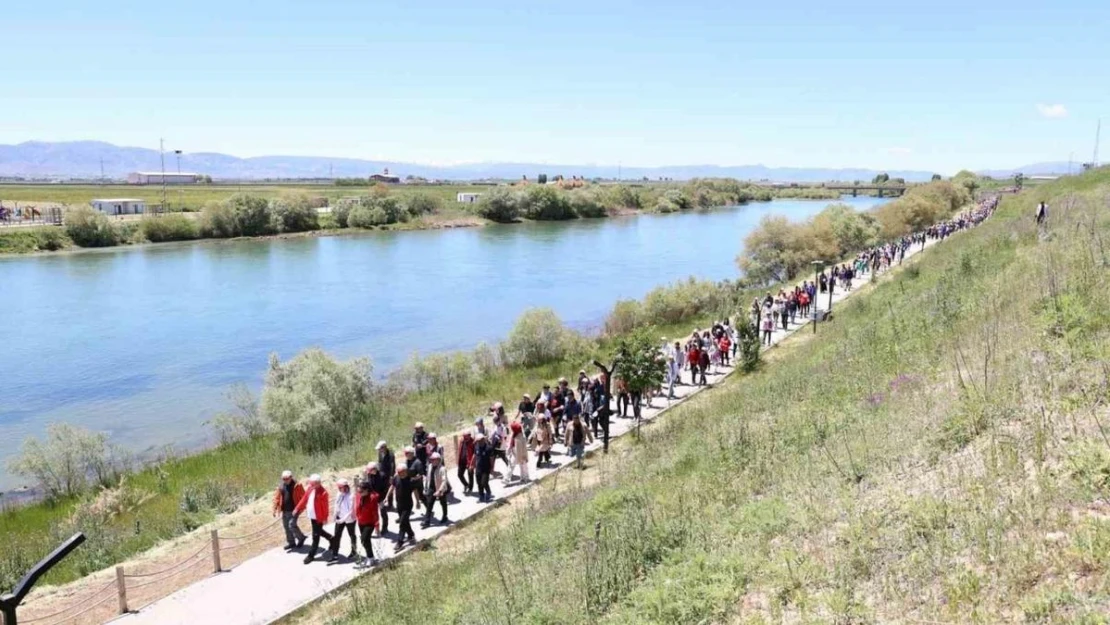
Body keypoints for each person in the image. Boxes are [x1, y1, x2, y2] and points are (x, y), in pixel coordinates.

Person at [293, 474, 333, 564]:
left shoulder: (323, 493)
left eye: (312, 484)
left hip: (319, 517)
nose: (310, 485)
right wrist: (297, 508)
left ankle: (311, 555)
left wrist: (325, 518)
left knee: (315, 536)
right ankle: (332, 539)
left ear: (318, 483)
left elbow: (325, 507)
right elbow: (304, 499)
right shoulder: (310, 488)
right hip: (312, 516)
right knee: (318, 531)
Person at [273, 470, 307, 551]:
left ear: (291, 477)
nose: (285, 480)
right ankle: (291, 543)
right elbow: (276, 498)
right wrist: (274, 509)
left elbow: (304, 497)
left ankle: (301, 538)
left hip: (294, 510)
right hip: (285, 510)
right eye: (283, 479)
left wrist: (301, 507)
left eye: (287, 478)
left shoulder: (298, 485)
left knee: (291, 525)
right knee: (286, 527)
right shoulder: (281, 487)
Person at [385, 466, 416, 549]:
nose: (399, 474)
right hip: (399, 504)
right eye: (398, 472)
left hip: (408, 505)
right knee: (405, 521)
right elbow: (392, 487)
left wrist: (417, 502)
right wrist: (387, 497)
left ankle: (400, 541)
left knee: (402, 523)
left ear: (406, 471)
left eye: (401, 472)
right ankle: (411, 535)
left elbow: (415, 491)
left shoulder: (411, 480)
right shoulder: (396, 478)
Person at [354, 480, 380, 568]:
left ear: (367, 490)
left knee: (364, 539)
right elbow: (356, 506)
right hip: (361, 521)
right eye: (358, 491)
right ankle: (370, 557)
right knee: (365, 541)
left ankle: (370, 557)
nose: (359, 493)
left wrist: (377, 526)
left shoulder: (372, 498)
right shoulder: (358, 495)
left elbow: (375, 513)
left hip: (370, 522)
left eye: (361, 491)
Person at [422, 453, 451, 527]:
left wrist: (440, 491)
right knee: (429, 504)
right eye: (431, 459)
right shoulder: (430, 466)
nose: (431, 461)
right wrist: (426, 488)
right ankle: (427, 521)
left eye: (433, 459)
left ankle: (445, 516)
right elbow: (428, 478)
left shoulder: (442, 469)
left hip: (440, 488)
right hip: (431, 488)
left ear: (438, 460)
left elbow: (444, 481)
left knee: (443, 503)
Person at [332, 478, 357, 561]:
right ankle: (335, 554)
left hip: (349, 519)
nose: (339, 489)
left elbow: (350, 510)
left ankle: (354, 551)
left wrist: (343, 519)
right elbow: (336, 504)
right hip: (340, 518)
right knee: (337, 535)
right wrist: (335, 515)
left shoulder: (351, 496)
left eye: (341, 487)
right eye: (339, 488)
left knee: (352, 535)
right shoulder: (339, 494)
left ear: (346, 487)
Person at [364, 462, 390, 534]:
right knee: (373, 514)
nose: (370, 473)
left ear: (375, 469)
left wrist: (382, 497)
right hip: (372, 498)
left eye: (371, 471)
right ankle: (374, 528)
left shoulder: (382, 476)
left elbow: (386, 488)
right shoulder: (369, 475)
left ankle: (385, 527)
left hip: (381, 497)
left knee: (383, 513)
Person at [473, 433, 494, 503]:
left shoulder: (488, 448)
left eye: (480, 440)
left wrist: (492, 468)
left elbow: (491, 459)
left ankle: (488, 493)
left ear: (483, 440)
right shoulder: (476, 447)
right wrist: (472, 465)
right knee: (479, 483)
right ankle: (481, 496)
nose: (479, 442)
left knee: (484, 482)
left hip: (486, 469)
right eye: (477, 441)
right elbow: (475, 456)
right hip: (478, 468)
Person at [403, 446, 425, 510]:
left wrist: (414, 478)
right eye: (405, 453)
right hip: (409, 482)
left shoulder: (417, 462)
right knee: (406, 498)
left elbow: (421, 474)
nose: (406, 455)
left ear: (412, 453)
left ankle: (429, 509)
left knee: (422, 497)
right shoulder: (407, 461)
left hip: (417, 482)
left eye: (407, 453)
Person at [376, 441, 395, 509]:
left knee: (389, 489)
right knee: (383, 488)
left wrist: (391, 476)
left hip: (388, 474)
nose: (379, 450)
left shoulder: (390, 454)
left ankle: (390, 504)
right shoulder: (380, 453)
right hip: (382, 474)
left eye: (380, 449)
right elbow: (379, 462)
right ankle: (384, 502)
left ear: (384, 447)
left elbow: (392, 465)